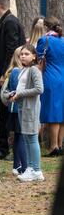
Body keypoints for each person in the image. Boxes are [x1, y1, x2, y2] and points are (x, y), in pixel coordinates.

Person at [0, 0, 26, 160]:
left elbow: (11, 50)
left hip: (9, 73)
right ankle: (2, 145)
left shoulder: (10, 22)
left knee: (6, 112)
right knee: (3, 112)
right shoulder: (6, 21)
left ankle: (4, 147)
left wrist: (5, 74)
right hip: (5, 72)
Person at [9, 45, 45, 182]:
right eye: (22, 54)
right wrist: (14, 94)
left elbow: (39, 89)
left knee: (32, 138)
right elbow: (22, 87)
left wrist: (20, 94)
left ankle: (36, 170)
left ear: (34, 56)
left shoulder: (34, 70)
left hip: (31, 109)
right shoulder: (23, 70)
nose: (23, 56)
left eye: (27, 54)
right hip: (22, 107)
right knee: (26, 138)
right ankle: (29, 168)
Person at [37, 16, 64, 157]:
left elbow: (40, 60)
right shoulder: (63, 40)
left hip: (51, 78)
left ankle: (53, 147)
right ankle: (59, 145)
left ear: (46, 26)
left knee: (53, 113)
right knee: (62, 113)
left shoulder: (44, 40)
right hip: (63, 77)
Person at [1, 47, 27, 175]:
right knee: (21, 137)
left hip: (14, 109)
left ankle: (16, 165)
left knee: (18, 137)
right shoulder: (18, 72)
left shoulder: (12, 71)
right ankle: (23, 166)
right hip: (19, 109)